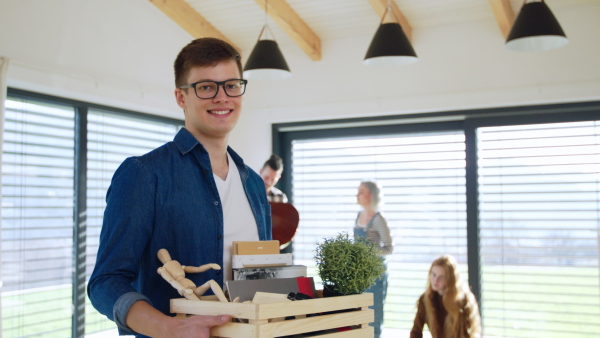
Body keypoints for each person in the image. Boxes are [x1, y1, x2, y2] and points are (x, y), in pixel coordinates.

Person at [87, 38, 272, 338]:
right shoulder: (144, 174)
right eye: (206, 87)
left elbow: (263, 274)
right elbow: (105, 283)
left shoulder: (253, 183)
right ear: (181, 97)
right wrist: (170, 329)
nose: (222, 97)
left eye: (231, 85)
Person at [355, 181, 393, 338]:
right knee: (360, 316)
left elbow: (389, 248)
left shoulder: (378, 219)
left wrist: (369, 252)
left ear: (371, 195)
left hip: (375, 274)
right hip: (360, 274)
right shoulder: (358, 216)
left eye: (361, 192)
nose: (357, 195)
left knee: (374, 317)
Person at [410, 255, 482, 338]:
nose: (435, 280)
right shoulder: (426, 299)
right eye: (433, 274)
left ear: (450, 279)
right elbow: (416, 331)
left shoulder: (463, 300)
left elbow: (468, 334)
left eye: (441, 277)